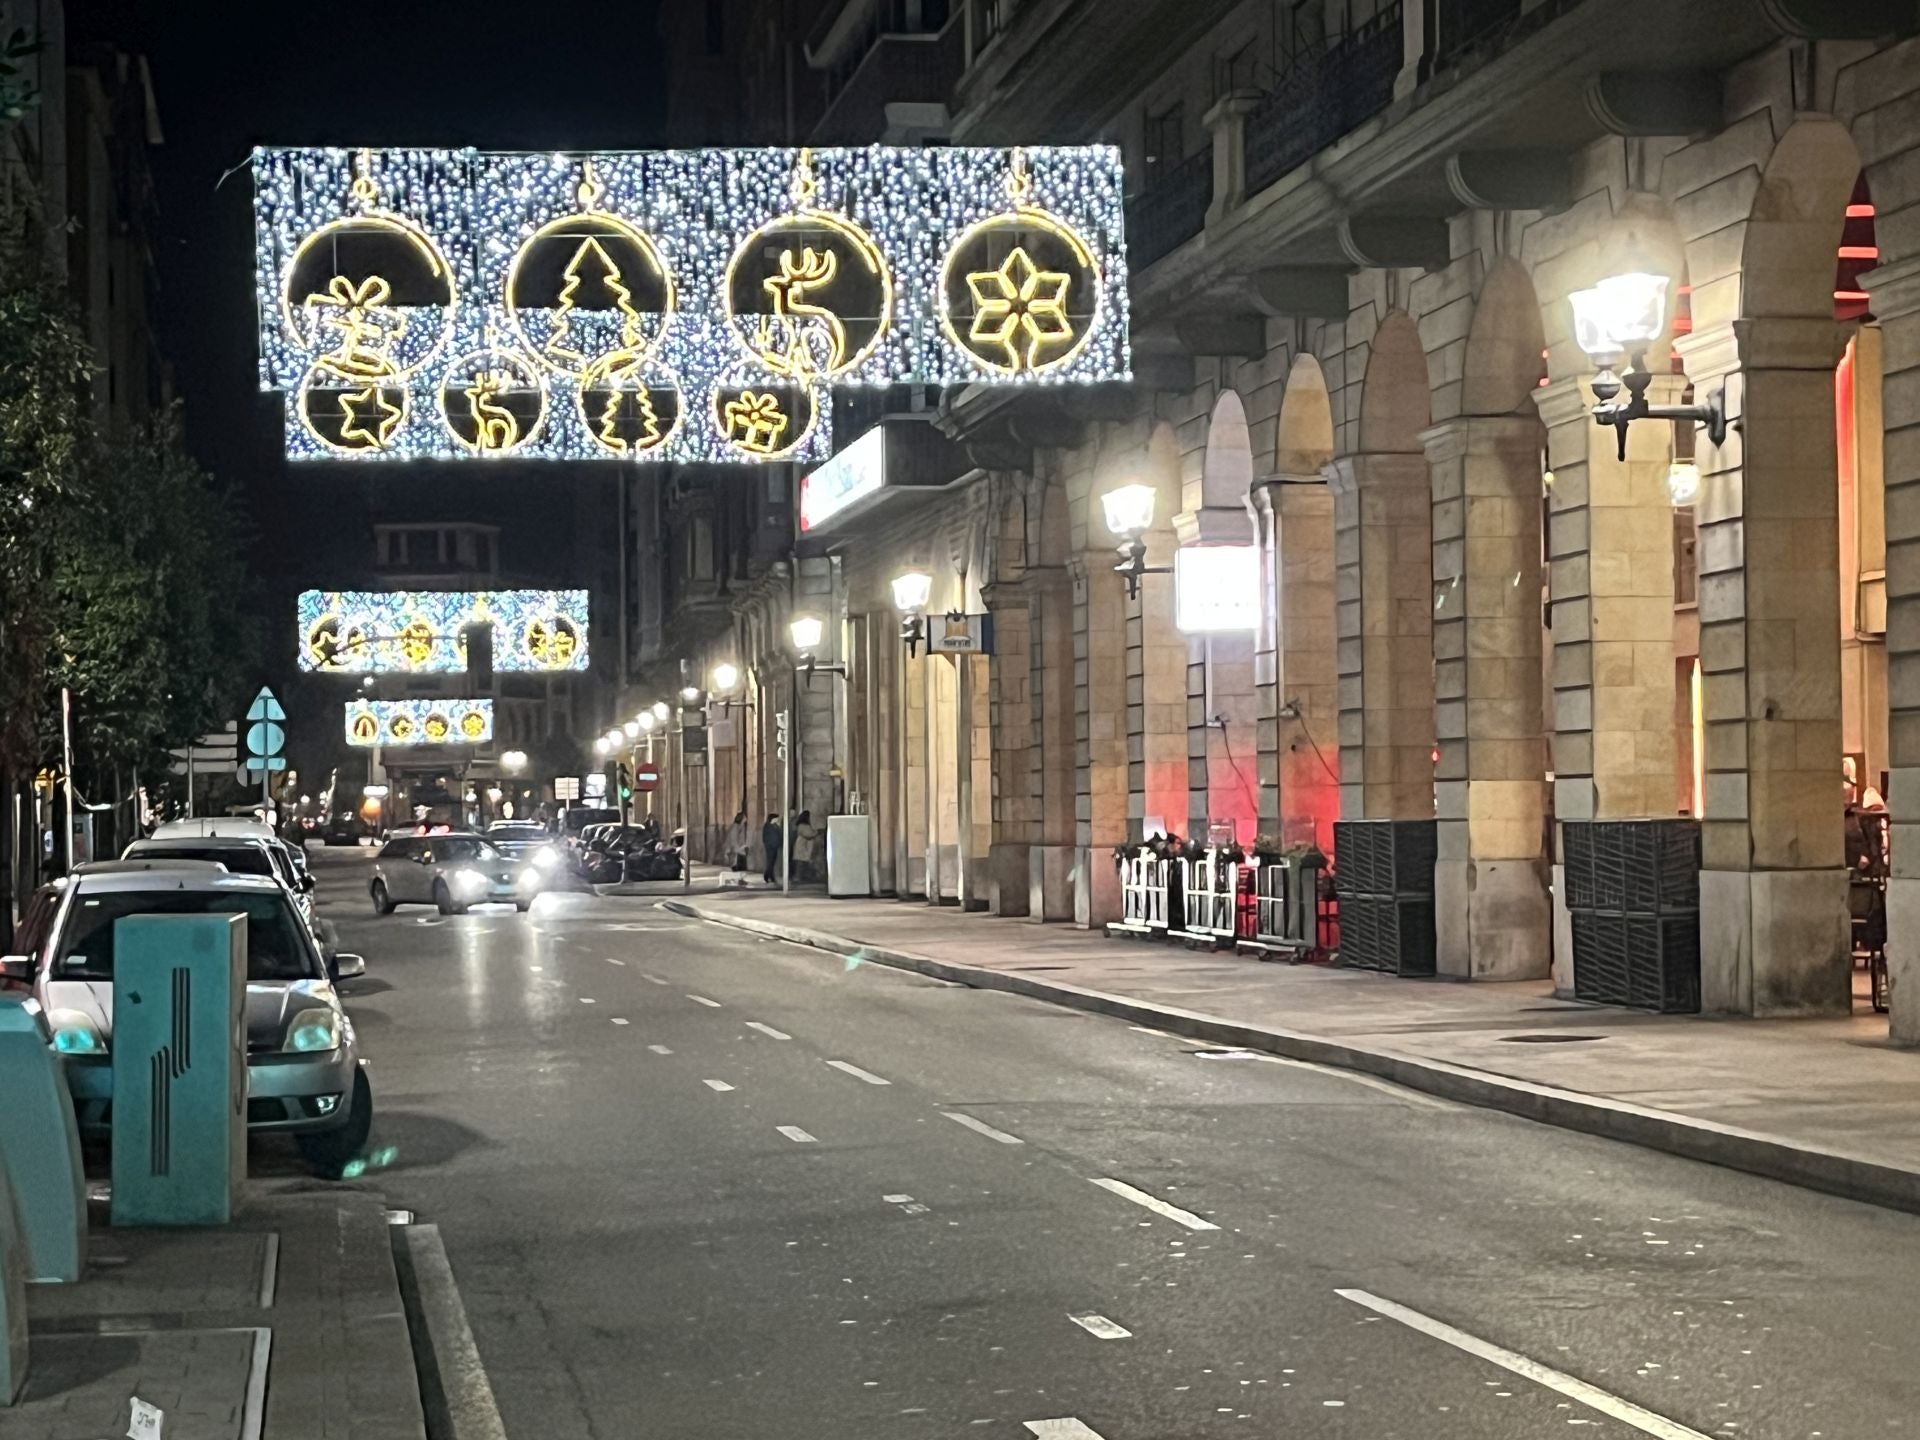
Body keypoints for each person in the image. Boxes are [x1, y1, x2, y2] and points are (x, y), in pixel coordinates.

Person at [793, 810, 819, 882]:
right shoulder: (803, 826)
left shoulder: (801, 825)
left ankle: (801, 877)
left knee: (802, 862)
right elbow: (809, 834)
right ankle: (798, 877)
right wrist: (816, 832)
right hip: (803, 845)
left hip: (804, 845)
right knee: (801, 863)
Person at [761, 813, 782, 884]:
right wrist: (767, 844)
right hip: (770, 846)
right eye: (776, 818)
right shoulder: (767, 826)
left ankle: (770, 875)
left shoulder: (776, 826)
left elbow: (779, 835)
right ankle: (768, 876)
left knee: (773, 862)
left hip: (775, 846)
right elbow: (764, 837)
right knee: (770, 861)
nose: (777, 819)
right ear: (773, 818)